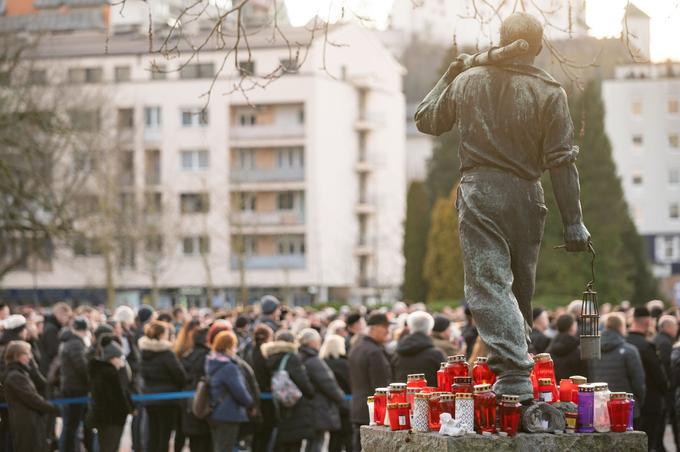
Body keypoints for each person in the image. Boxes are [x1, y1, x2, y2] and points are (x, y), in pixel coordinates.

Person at [415, 11, 591, 402]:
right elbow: (562, 161)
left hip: (480, 192)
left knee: (491, 285)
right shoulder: (550, 92)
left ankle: (514, 372)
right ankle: (517, 371)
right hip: (527, 196)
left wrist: (450, 74)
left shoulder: (469, 80)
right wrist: (574, 222)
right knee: (516, 289)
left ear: (501, 40)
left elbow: (425, 119)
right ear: (539, 46)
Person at [261, 330, 315, 452]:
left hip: (276, 404)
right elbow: (303, 382)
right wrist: (311, 393)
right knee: (294, 443)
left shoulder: (269, 357)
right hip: (295, 405)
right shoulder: (291, 358)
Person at [139, 320, 187, 452]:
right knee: (164, 436)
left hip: (149, 398)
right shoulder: (166, 353)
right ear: (161, 335)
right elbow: (179, 374)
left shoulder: (143, 352)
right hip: (167, 400)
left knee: (153, 434)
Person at [3, 341, 59, 452]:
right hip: (26, 425)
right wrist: (51, 407)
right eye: (27, 353)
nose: (30, 357)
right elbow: (32, 399)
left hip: (29, 423)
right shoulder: (15, 376)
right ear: (18, 356)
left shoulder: (21, 374)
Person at [348, 313, 391, 452]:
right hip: (372, 412)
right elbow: (380, 388)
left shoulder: (357, 348)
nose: (387, 331)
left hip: (359, 408)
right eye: (385, 327)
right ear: (374, 328)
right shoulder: (374, 352)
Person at [627, 306, 668, 450]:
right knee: (649, 444)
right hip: (650, 402)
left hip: (629, 402)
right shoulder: (646, 345)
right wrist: (666, 390)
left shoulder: (625, 342)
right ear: (647, 322)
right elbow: (659, 376)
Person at [298, 328, 345, 452]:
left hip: (308, 406)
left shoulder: (300, 357)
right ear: (312, 342)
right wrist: (341, 398)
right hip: (318, 407)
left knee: (311, 443)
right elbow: (328, 383)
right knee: (317, 442)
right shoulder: (314, 360)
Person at [205, 330, 253, 452]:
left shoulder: (211, 362)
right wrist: (250, 403)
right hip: (228, 413)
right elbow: (239, 391)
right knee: (225, 448)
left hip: (214, 410)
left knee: (218, 447)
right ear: (229, 347)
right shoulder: (229, 367)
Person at [592, 313, 645, 423]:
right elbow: (638, 381)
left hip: (600, 407)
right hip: (625, 407)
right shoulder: (630, 351)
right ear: (621, 327)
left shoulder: (593, 351)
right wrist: (638, 402)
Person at [87, 335, 133, 452]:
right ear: (112, 358)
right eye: (119, 358)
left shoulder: (100, 371)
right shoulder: (110, 374)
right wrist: (128, 409)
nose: (122, 361)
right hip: (112, 419)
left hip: (105, 419)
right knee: (110, 446)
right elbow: (119, 396)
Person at [59, 316, 94, 452]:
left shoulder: (69, 341)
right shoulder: (75, 343)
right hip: (75, 389)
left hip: (72, 387)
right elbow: (82, 367)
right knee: (71, 426)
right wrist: (91, 381)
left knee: (75, 425)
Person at [180, 326, 212, 451]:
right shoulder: (209, 357)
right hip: (204, 405)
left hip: (189, 404)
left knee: (194, 443)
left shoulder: (187, 356)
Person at [393, 311, 445, 386]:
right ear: (430, 329)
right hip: (431, 396)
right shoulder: (436, 355)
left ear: (410, 327)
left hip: (404, 396)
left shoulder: (397, 354)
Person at [321, 334, 353, 452]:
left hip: (329, 404)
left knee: (334, 437)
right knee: (348, 435)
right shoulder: (343, 364)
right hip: (346, 402)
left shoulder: (322, 362)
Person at [249, 324, 275, 452]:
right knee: (265, 433)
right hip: (265, 398)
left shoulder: (250, 351)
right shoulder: (265, 355)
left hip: (254, 397)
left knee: (257, 434)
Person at [656, 315, 679, 451]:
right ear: (669, 327)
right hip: (667, 391)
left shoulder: (658, 339)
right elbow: (667, 366)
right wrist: (669, 385)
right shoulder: (666, 343)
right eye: (675, 326)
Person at [546, 314, 586, 381]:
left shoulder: (550, 346)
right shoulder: (578, 349)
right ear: (572, 327)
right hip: (574, 387)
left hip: (555, 387)